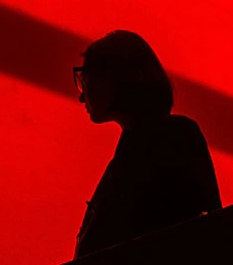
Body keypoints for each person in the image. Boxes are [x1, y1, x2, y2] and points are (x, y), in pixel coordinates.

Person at [72, 31, 222, 258]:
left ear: (113, 78)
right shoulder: (165, 141)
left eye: (87, 80)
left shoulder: (164, 144)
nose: (82, 96)